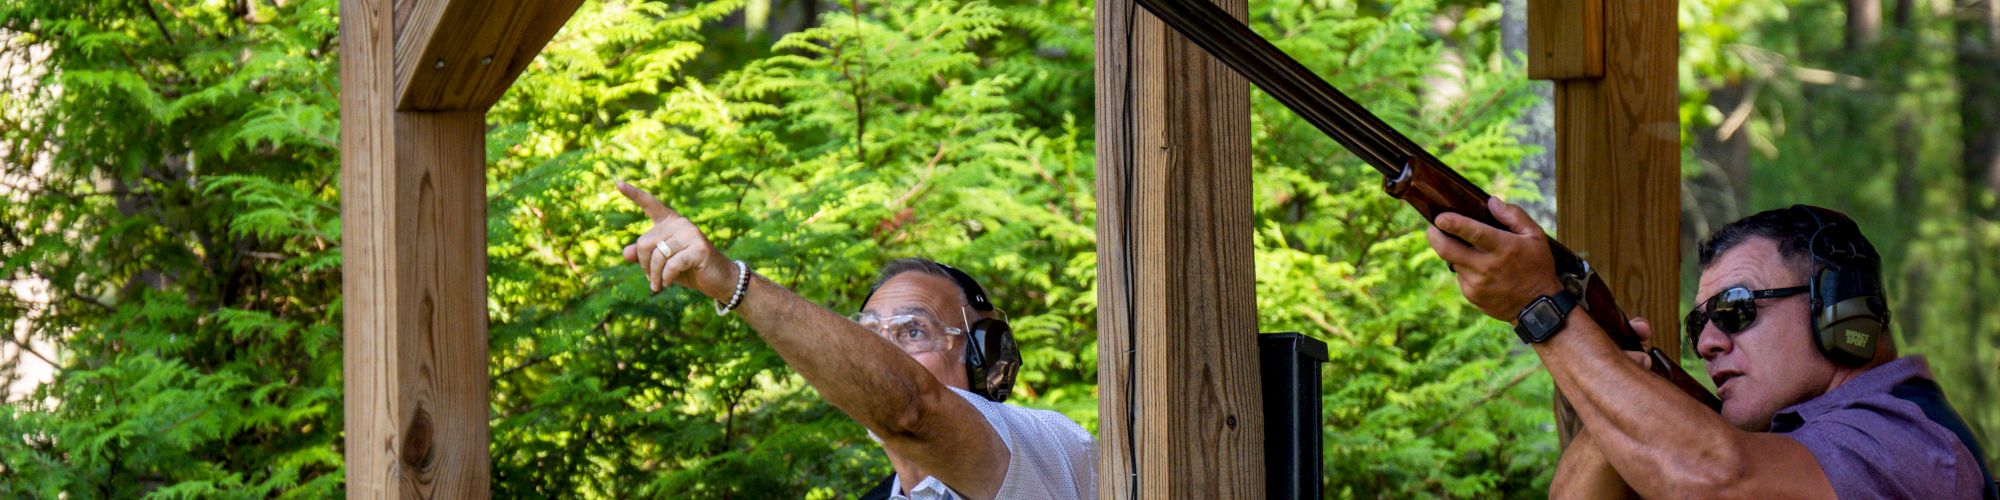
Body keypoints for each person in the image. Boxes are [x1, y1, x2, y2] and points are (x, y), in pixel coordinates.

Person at [1425, 199, 1995, 498]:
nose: (1708, 343)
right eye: (1699, 325)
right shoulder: (1788, 444)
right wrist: (1621, 393)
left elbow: (1716, 481)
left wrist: (1542, 309)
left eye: (1735, 310)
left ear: (1839, 307)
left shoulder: (1909, 444)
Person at [613, 181, 1095, 499]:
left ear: (984, 356)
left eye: (913, 331)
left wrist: (730, 282)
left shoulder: (1044, 447)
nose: (885, 353)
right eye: (869, 335)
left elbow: (912, 409)